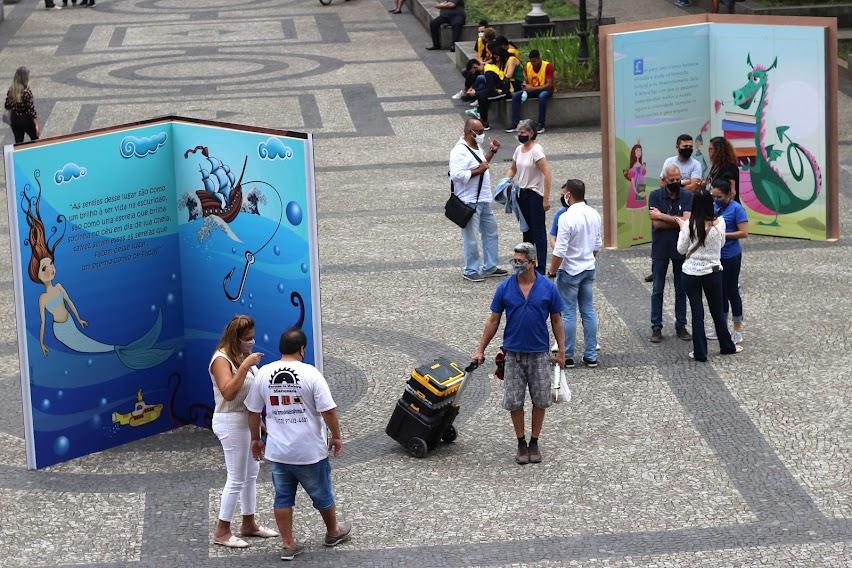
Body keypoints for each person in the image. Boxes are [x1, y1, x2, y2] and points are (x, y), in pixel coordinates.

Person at [22, 177, 175, 368]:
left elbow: (70, 304)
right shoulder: (42, 299)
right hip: (61, 331)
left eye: (51, 263)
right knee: (89, 346)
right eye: (45, 267)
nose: (51, 269)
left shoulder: (59, 287)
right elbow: (43, 323)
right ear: (37, 273)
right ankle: (122, 351)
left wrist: (79, 319)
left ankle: (122, 349)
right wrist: (43, 344)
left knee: (94, 345)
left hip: (70, 323)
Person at [245, 328, 352, 561]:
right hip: (309, 451)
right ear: (302, 349)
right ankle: (333, 532)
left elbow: (253, 411)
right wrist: (336, 436)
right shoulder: (310, 373)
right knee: (322, 493)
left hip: (279, 451)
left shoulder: (264, 373)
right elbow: (328, 410)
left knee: (282, 497)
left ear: (281, 348)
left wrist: (256, 439)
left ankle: (288, 543)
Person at [473, 243, 565, 465]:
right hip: (513, 354)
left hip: (539, 354)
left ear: (532, 263)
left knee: (541, 400)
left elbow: (557, 320)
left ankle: (534, 441)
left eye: (520, 261)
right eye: (514, 261)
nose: (516, 264)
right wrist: (480, 349)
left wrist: (562, 351)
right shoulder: (504, 288)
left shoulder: (548, 288)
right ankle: (521, 442)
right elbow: (493, 320)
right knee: (514, 401)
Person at [210, 316, 278, 548]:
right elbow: (228, 392)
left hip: (244, 420)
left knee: (251, 474)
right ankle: (222, 531)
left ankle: (249, 523)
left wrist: (258, 424)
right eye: (247, 339)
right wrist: (246, 366)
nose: (252, 342)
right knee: (236, 477)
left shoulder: (240, 357)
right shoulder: (222, 359)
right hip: (229, 420)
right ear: (235, 338)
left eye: (253, 337)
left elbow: (250, 397)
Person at [676, 190, 744, 361]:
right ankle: (726, 345)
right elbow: (721, 244)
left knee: (697, 312)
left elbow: (681, 249)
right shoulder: (719, 223)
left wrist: (681, 227)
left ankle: (700, 352)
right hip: (712, 272)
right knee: (717, 310)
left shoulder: (688, 225)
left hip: (690, 273)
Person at [547, 179, 602, 368]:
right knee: (588, 310)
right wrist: (588, 257)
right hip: (588, 268)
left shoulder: (566, 217)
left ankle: (568, 355)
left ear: (568, 195)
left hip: (569, 271)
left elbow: (559, 250)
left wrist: (552, 271)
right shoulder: (594, 213)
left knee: (568, 313)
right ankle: (591, 355)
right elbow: (597, 245)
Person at [449, 118, 506, 282]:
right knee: (471, 236)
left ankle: (490, 266)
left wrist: (492, 152)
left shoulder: (476, 146)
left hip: (483, 198)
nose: (482, 134)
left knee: (491, 232)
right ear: (469, 132)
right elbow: (456, 175)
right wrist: (477, 170)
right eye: (479, 131)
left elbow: (482, 163)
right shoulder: (458, 151)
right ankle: (471, 269)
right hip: (469, 200)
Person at [648, 165, 693, 343]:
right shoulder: (655, 195)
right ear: (664, 180)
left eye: (677, 179)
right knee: (657, 289)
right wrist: (677, 220)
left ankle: (681, 325)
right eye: (672, 180)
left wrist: (664, 216)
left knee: (681, 289)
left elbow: (687, 222)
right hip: (660, 249)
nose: (675, 182)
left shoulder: (688, 196)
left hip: (680, 249)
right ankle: (656, 327)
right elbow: (656, 224)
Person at [505, 119, 552, 275]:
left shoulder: (536, 150)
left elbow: (547, 173)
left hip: (535, 194)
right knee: (526, 231)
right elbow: (513, 169)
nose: (520, 135)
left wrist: (545, 198)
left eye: (523, 133)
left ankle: (541, 267)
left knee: (538, 232)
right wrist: (506, 181)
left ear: (531, 133)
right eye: (519, 133)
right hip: (522, 194)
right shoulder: (519, 149)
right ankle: (528, 263)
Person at [710, 178, 748, 344]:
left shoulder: (737, 209)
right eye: (714, 196)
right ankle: (721, 327)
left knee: (732, 291)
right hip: (716, 256)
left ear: (728, 196)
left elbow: (744, 233)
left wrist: (723, 235)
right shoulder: (713, 207)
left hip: (731, 256)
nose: (716, 200)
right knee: (720, 293)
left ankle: (737, 328)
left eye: (719, 197)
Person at [506, 50, 554, 134]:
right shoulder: (528, 66)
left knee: (542, 96)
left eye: (535, 61)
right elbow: (525, 80)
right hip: (532, 89)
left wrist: (532, 89)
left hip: (545, 90)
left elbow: (549, 85)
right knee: (516, 96)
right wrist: (524, 85)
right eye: (531, 61)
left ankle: (541, 124)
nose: (533, 63)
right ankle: (515, 123)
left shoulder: (547, 66)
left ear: (539, 59)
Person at [465, 49, 509, 130]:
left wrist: (476, 93)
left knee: (482, 96)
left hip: (504, 92)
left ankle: (484, 122)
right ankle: (484, 121)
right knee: (481, 95)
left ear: (475, 67)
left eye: (474, 71)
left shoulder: (488, 72)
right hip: (499, 89)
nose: (475, 73)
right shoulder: (488, 68)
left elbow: (490, 89)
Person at [5, 67, 40, 144]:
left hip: (15, 120)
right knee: (35, 139)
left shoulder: (11, 90)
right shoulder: (27, 92)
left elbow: (7, 106)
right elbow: (31, 110)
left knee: (18, 143)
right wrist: (36, 124)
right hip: (26, 119)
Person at [623, 141, 648, 240]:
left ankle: (640, 233)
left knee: (642, 212)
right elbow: (633, 181)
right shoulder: (633, 168)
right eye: (637, 150)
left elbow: (644, 178)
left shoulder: (641, 165)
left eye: (640, 151)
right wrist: (636, 191)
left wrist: (643, 190)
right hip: (634, 191)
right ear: (634, 152)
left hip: (641, 188)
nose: (639, 152)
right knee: (634, 213)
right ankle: (634, 234)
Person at [706, 136, 740, 203]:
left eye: (711, 149)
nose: (708, 152)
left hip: (726, 208)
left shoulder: (729, 167)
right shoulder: (715, 166)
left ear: (718, 151)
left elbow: (732, 193)